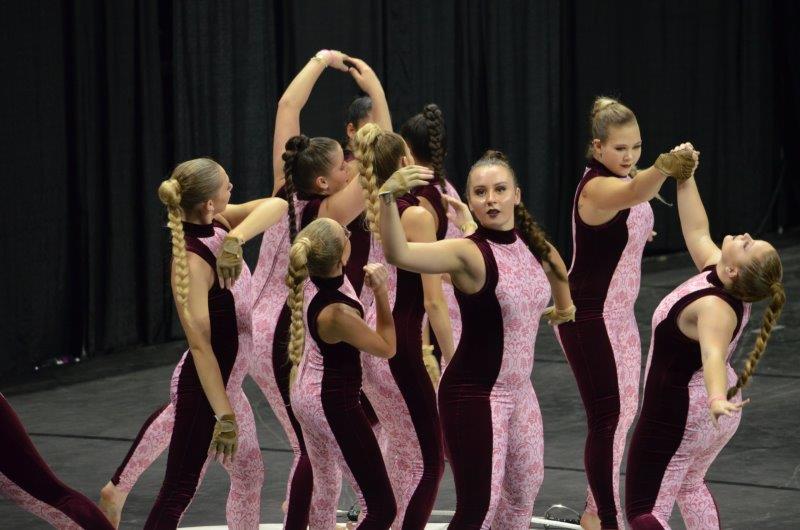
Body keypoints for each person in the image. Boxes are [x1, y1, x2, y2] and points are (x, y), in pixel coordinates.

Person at [379, 150, 573, 528]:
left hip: (521, 390)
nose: (491, 199)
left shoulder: (532, 243)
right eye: (481, 193)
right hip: (475, 395)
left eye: (500, 190)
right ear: (470, 199)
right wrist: (387, 198)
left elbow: (555, 267)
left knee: (523, 495)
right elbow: (397, 253)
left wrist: (564, 308)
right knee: (478, 508)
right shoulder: (466, 252)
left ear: (517, 195)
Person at [553, 96, 699, 529]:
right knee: (608, 417)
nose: (630, 156)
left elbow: (634, 204)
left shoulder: (625, 176)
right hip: (586, 315)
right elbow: (636, 192)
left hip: (620, 315)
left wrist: (639, 230)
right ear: (597, 147)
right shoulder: (597, 186)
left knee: (624, 415)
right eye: (620, 148)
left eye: (637, 147)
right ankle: (605, 518)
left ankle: (594, 510)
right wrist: (665, 166)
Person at [625, 145, 785, 530]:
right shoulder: (722, 275)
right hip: (707, 411)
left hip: (685, 411)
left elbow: (712, 355)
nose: (745, 235)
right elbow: (697, 230)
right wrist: (686, 176)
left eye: (748, 244)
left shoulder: (715, 308)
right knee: (690, 485)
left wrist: (715, 399)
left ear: (734, 271)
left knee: (643, 512)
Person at [287, 218, 397, 529]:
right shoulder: (337, 313)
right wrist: (382, 293)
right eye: (346, 233)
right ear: (341, 256)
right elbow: (387, 346)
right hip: (331, 403)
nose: (350, 234)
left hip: (306, 394)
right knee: (381, 508)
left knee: (324, 489)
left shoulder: (310, 280)